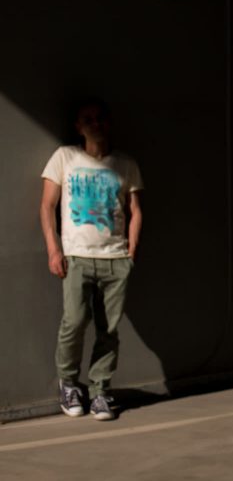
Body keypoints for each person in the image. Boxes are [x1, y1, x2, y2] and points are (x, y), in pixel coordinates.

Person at [40, 99, 143, 421]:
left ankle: (100, 392)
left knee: (108, 330)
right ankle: (69, 384)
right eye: (88, 119)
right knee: (73, 323)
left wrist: (131, 251)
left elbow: (135, 209)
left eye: (100, 118)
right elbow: (46, 207)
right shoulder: (65, 157)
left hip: (115, 258)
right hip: (77, 257)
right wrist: (54, 250)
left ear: (108, 123)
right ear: (78, 126)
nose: (95, 123)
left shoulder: (125, 164)